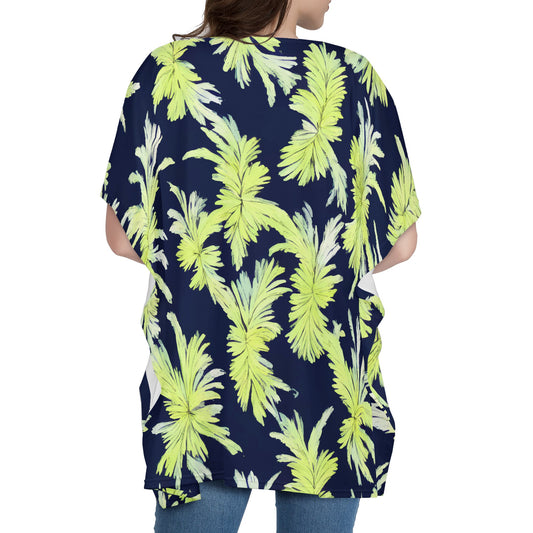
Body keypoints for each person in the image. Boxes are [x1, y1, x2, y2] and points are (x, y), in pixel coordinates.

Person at [100, 0, 421, 531]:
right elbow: (400, 243)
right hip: (324, 389)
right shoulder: (353, 80)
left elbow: (122, 235)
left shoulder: (167, 72)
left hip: (202, 392)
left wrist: (207, 261)